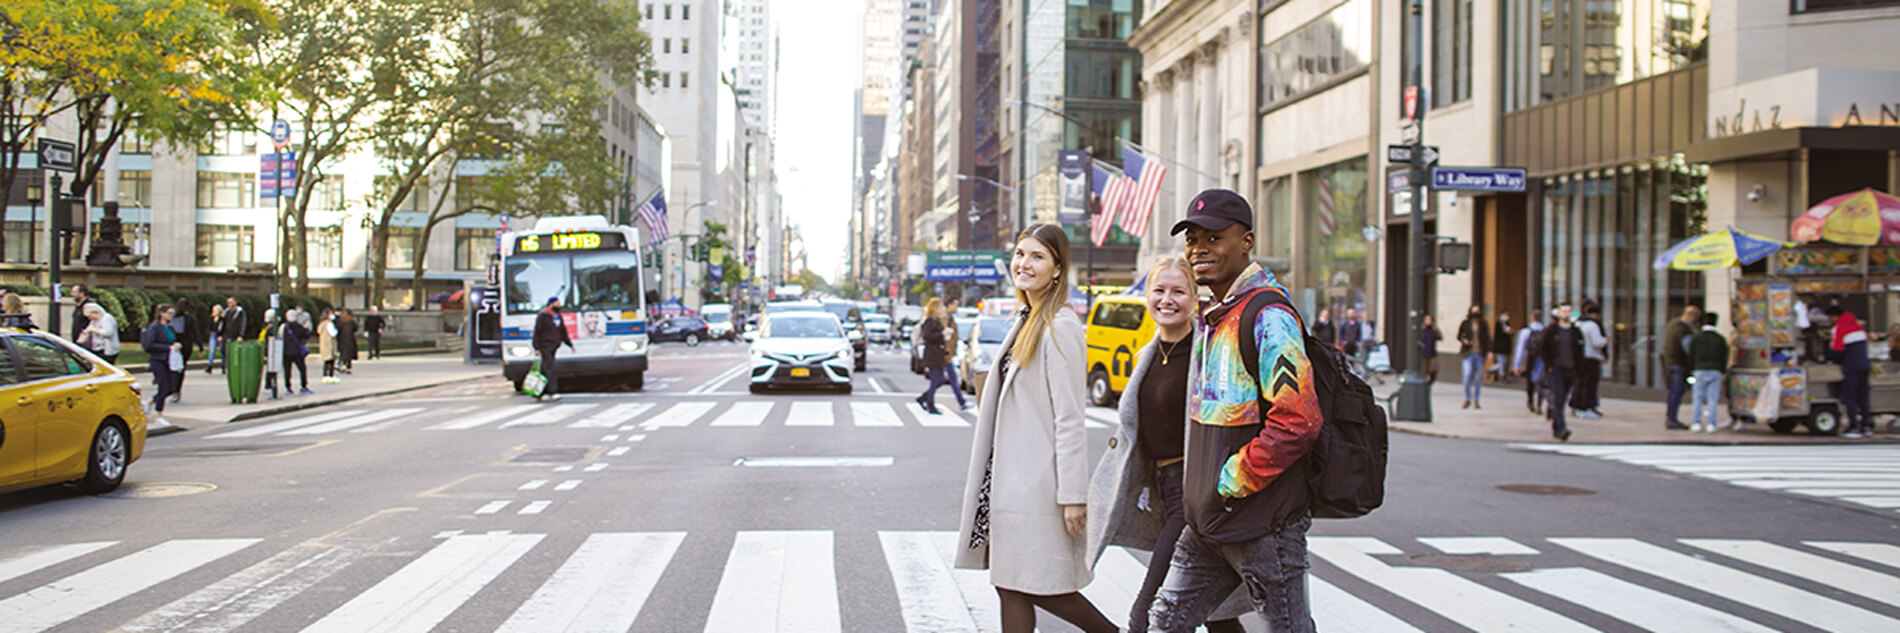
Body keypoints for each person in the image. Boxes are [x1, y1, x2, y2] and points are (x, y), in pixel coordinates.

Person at [1142, 190, 1324, 633]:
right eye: (1193, 238)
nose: (1199, 248)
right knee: (1162, 623)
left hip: (1262, 521)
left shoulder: (1269, 315)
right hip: (1209, 521)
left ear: (1246, 241)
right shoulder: (1215, 316)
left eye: (1215, 238)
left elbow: (1298, 419)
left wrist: (1229, 481)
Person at [954, 223, 1116, 633]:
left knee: (1036, 585)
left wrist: (1073, 495)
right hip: (1010, 479)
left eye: (1037, 256)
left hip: (1037, 484)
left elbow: (1069, 418)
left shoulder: (1059, 325)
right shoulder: (1027, 318)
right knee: (1012, 585)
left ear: (1058, 269)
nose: (1024, 263)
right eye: (1021, 254)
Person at [1086, 256, 1244, 633]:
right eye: (1159, 290)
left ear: (1194, 297)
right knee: (1216, 615)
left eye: (1178, 291)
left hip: (1199, 494)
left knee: (1147, 609)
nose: (1167, 299)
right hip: (1163, 490)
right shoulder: (1147, 355)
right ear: (1146, 295)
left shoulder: (1210, 354)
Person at [1539, 303, 1583, 441]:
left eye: (1569, 311)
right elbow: (1542, 348)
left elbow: (1580, 350)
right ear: (1558, 313)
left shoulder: (1575, 332)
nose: (1566, 314)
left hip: (1571, 369)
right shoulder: (1551, 331)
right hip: (1556, 368)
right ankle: (1561, 429)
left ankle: (1556, 423)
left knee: (1563, 399)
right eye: (1564, 311)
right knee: (1558, 398)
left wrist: (1578, 368)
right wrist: (1549, 365)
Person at [915, 298, 964, 414]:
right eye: (941, 307)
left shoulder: (936, 321)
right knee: (937, 380)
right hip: (933, 355)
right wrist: (942, 334)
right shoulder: (930, 321)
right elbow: (927, 336)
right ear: (935, 308)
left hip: (938, 354)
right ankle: (929, 404)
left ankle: (924, 398)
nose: (943, 309)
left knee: (940, 380)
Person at [1831, 307, 1873, 438]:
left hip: (1851, 367)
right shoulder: (1860, 329)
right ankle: (1867, 426)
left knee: (1850, 397)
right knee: (1863, 397)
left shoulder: (1840, 328)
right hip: (1865, 366)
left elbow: (1837, 351)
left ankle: (1853, 427)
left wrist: (1829, 357)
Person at [1661, 305, 1703, 430]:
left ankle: (1671, 417)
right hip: (1679, 363)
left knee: (1673, 391)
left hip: (1671, 362)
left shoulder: (1672, 324)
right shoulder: (1682, 329)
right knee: (1676, 391)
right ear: (1691, 316)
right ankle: (1672, 419)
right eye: (1696, 318)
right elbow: (1688, 347)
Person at [1689, 312, 1730, 433]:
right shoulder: (1719, 338)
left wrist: (1692, 367)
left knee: (1698, 398)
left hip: (1699, 369)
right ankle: (1711, 423)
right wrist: (1722, 369)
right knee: (1713, 399)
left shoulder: (1697, 337)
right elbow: (1724, 356)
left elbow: (1691, 354)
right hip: (1715, 370)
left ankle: (1696, 422)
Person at [140, 304, 181, 425]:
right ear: (162, 314)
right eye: (169, 313)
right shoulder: (155, 327)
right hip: (157, 359)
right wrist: (168, 348)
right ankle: (159, 414)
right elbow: (149, 345)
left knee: (170, 388)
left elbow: (172, 340)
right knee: (163, 385)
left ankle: (149, 403)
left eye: (172, 314)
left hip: (169, 360)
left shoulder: (170, 328)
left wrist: (177, 345)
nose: (171, 316)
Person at [532, 296, 574, 401]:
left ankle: (541, 392)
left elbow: (562, 331)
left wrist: (569, 344)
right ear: (550, 305)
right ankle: (553, 392)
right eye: (557, 303)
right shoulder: (543, 316)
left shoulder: (558, 316)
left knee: (545, 369)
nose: (559, 306)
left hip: (554, 345)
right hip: (544, 345)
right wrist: (536, 347)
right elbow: (537, 332)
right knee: (550, 368)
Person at [1571, 301, 1608, 419]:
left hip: (1579, 357)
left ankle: (1578, 406)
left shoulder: (1578, 324)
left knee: (1580, 383)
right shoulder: (1592, 325)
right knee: (1589, 384)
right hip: (1591, 357)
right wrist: (1605, 340)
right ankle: (1585, 407)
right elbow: (1597, 342)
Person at [1512, 309, 1546, 414]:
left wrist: (1517, 365)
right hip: (1542, 359)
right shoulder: (1546, 331)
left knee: (1530, 381)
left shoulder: (1525, 331)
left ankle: (1530, 401)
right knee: (1542, 381)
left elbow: (1520, 349)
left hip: (1530, 358)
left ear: (1531, 318)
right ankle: (1539, 403)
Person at [1457, 304, 1490, 409]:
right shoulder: (1465, 323)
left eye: (1477, 310)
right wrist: (1464, 340)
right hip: (1468, 353)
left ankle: (1476, 400)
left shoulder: (1483, 323)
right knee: (1467, 375)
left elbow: (1487, 337)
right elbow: (1459, 335)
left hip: (1479, 353)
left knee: (1478, 377)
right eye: (1474, 310)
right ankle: (1467, 397)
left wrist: (1489, 351)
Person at [170, 297, 200, 403]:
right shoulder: (190, 318)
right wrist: (200, 346)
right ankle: (177, 390)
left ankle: (173, 390)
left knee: (173, 368)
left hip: (175, 345)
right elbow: (196, 332)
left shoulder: (173, 317)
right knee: (181, 369)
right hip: (186, 345)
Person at [943, 298, 971, 409]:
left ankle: (925, 398)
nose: (957, 308)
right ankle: (962, 402)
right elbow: (945, 337)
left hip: (947, 354)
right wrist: (948, 354)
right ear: (949, 305)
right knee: (952, 379)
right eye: (955, 305)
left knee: (940, 380)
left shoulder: (949, 317)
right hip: (945, 354)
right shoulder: (946, 317)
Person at [219, 296, 247, 370]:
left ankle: (233, 365)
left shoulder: (240, 312)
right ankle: (227, 364)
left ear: (235, 302)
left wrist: (240, 335)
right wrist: (220, 334)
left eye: (231, 302)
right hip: (226, 334)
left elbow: (242, 324)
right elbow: (223, 324)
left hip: (235, 334)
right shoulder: (227, 312)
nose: (229, 304)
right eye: (228, 303)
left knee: (234, 350)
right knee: (223, 349)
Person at [317, 309, 339, 384]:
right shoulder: (329, 323)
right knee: (331, 360)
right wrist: (337, 330)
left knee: (326, 360)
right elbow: (333, 333)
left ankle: (325, 375)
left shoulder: (322, 324)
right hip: (329, 343)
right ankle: (330, 375)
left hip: (324, 343)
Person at [1491, 311, 1514, 383]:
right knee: (1502, 361)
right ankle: (1502, 376)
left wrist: (1510, 332)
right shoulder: (1498, 324)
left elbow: (1510, 334)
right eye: (1505, 315)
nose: (1506, 316)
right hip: (1499, 347)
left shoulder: (1507, 324)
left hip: (1505, 347)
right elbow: (1497, 335)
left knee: (1503, 361)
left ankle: (1491, 370)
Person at [1419, 314, 1441, 383]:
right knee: (1424, 370)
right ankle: (1424, 383)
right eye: (1427, 320)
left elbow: (1440, 337)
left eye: (1430, 320)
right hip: (1424, 352)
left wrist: (1435, 327)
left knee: (1433, 369)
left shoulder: (1433, 330)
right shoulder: (1422, 330)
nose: (1429, 321)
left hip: (1432, 352)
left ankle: (1429, 381)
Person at [204, 304, 226, 373]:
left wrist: (221, 335)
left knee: (222, 351)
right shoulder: (212, 318)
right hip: (213, 334)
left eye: (216, 310)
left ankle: (223, 366)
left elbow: (223, 328)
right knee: (212, 351)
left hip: (220, 335)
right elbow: (210, 327)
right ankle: (210, 366)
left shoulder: (222, 319)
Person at [337, 309, 359, 374]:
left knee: (344, 353)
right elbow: (355, 328)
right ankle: (348, 366)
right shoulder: (351, 322)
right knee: (348, 353)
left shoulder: (340, 321)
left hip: (342, 339)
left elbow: (338, 329)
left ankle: (343, 365)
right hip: (350, 339)